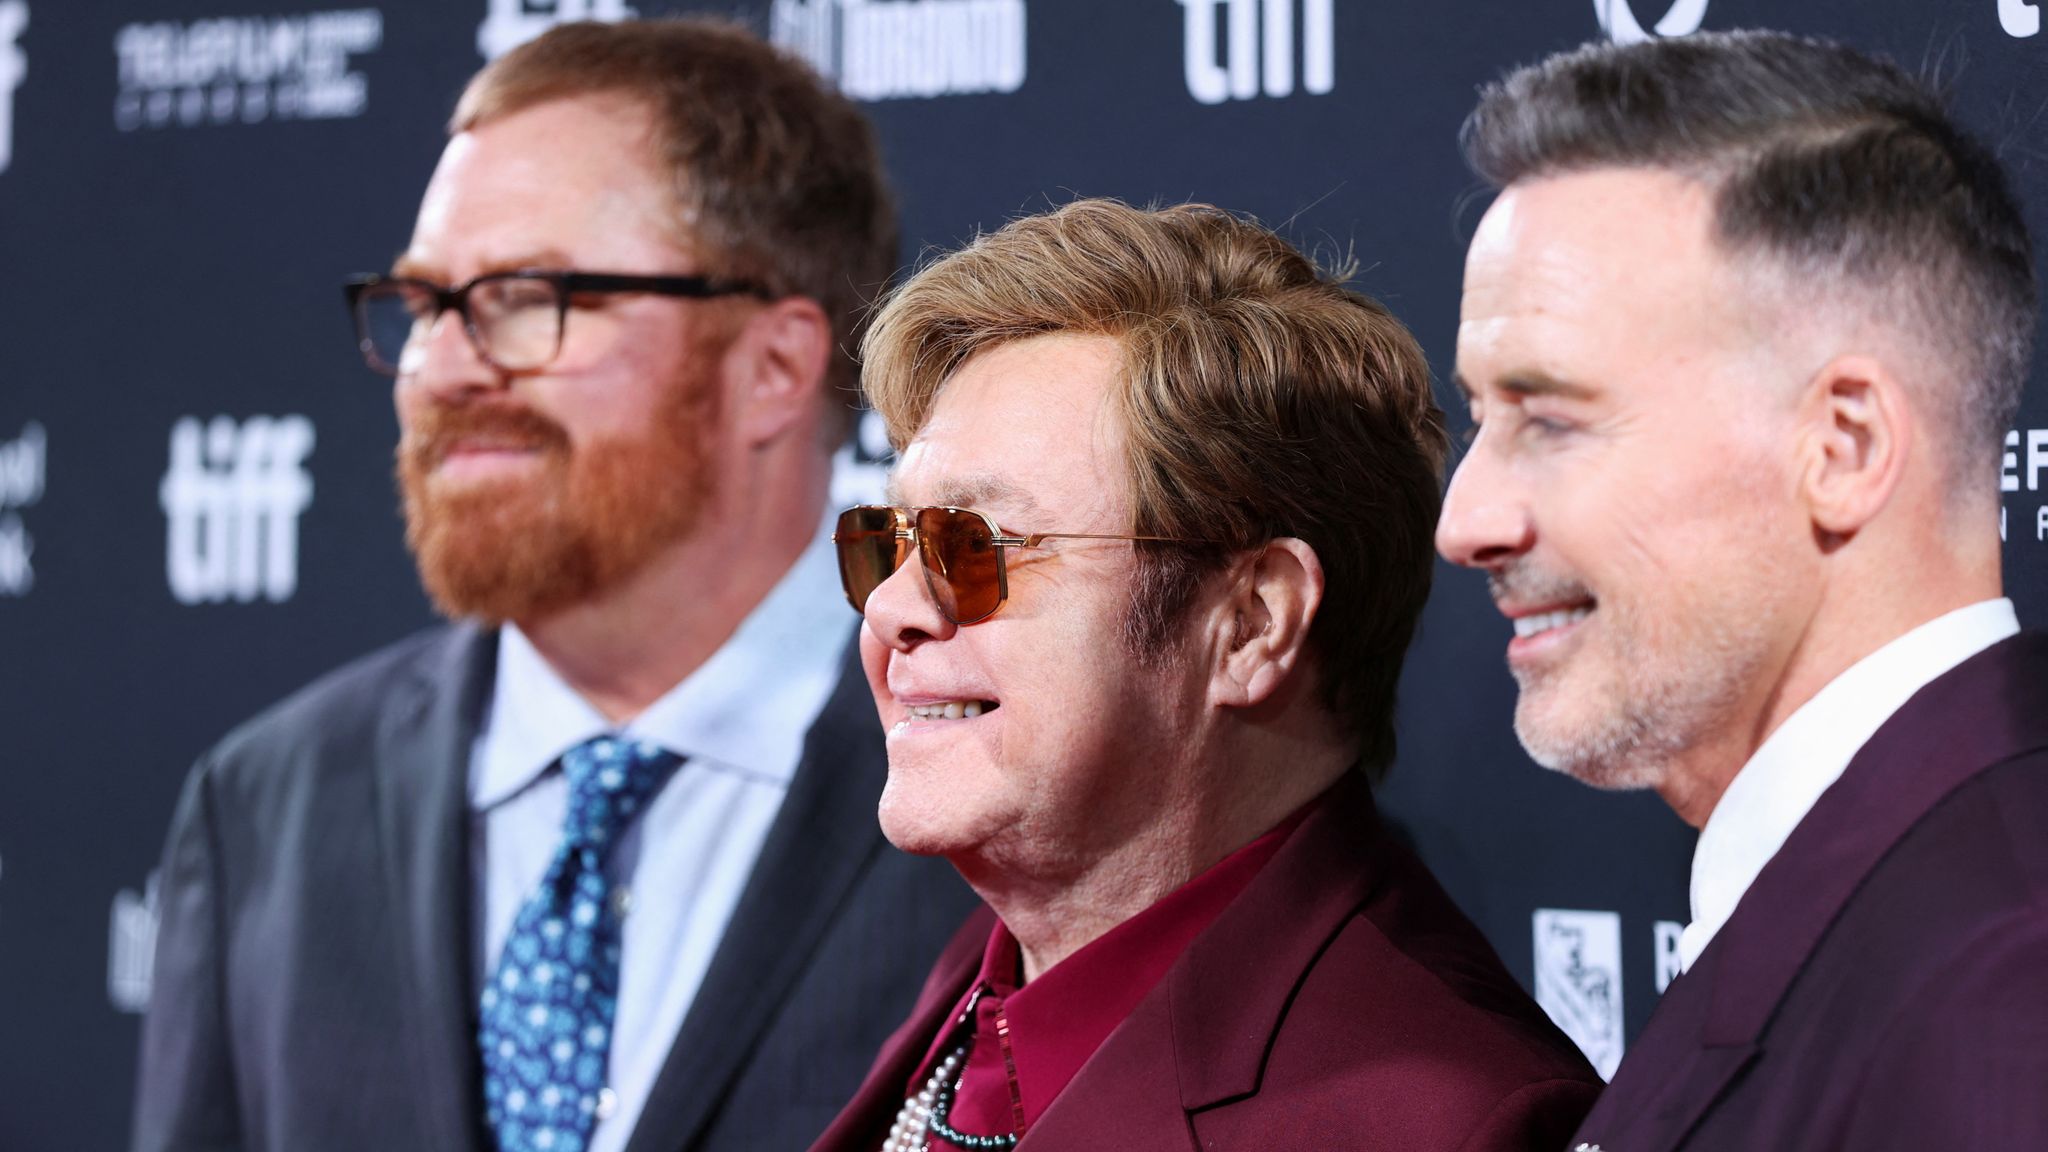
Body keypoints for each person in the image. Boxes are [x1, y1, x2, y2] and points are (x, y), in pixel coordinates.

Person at [133, 19, 975, 1152]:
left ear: (773, 366)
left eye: (528, 295)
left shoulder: (1000, 785)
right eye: (425, 304)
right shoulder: (266, 810)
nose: (440, 369)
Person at [809, 199, 1602, 1152]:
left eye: (976, 546)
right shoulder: (985, 984)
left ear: (1252, 624)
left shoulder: (1447, 1122)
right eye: (889, 542)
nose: (891, 608)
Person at [1440, 29, 2048, 1151]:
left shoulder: (2001, 987)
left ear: (1843, 444)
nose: (1463, 522)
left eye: (1550, 420)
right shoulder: (1884, 896)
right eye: (1481, 420)